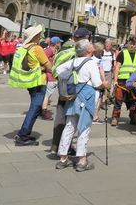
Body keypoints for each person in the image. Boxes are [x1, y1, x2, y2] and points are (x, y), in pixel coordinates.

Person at [54, 39, 106, 172]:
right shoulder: (91, 63)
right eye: (89, 43)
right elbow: (96, 83)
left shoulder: (73, 61)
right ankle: (82, 160)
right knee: (84, 128)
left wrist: (72, 78)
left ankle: (63, 159)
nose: (91, 44)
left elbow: (58, 69)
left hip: (73, 96)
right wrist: (105, 84)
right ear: (88, 50)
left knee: (70, 126)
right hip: (86, 97)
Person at [8, 24, 52, 146]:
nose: (40, 35)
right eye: (38, 34)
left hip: (30, 81)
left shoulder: (23, 47)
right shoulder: (36, 48)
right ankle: (23, 135)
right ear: (35, 36)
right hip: (39, 82)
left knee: (35, 107)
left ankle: (24, 133)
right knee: (35, 107)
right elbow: (48, 65)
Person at [49, 28, 90, 156]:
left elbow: (55, 69)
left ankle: (55, 146)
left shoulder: (62, 50)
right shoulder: (78, 51)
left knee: (60, 117)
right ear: (84, 38)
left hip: (62, 87)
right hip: (74, 89)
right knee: (71, 120)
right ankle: (65, 149)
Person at [111, 36, 136, 126]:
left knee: (134, 100)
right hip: (122, 80)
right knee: (118, 99)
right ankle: (115, 117)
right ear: (128, 44)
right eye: (131, 43)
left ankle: (133, 117)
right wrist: (115, 80)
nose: (132, 45)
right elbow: (117, 67)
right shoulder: (122, 54)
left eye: (134, 44)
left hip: (134, 82)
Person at [41, 36, 62, 120]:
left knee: (47, 94)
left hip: (53, 75)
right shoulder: (49, 50)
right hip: (50, 76)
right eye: (59, 42)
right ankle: (43, 111)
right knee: (47, 94)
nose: (60, 44)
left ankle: (42, 110)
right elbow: (42, 60)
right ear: (56, 43)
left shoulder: (54, 50)